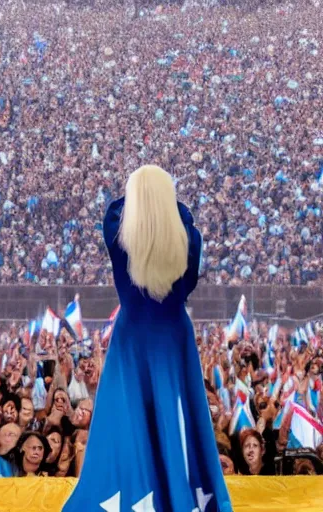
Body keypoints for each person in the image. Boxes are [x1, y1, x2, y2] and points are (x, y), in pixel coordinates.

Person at [63, 166, 232, 512]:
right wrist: (166, 203)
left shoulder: (118, 237)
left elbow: (115, 209)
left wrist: (143, 193)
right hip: (172, 336)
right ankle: (177, 492)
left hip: (134, 337)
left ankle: (137, 492)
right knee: (176, 413)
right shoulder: (188, 239)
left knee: (128, 415)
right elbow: (188, 276)